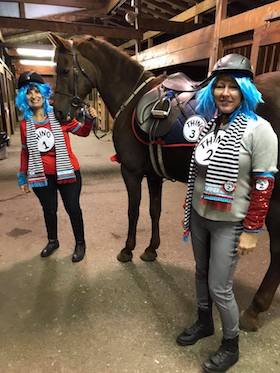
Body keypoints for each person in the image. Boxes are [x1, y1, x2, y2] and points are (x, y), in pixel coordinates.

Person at [177, 54, 278, 372]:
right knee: (200, 274)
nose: (224, 92)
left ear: (245, 90)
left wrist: (252, 229)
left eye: (232, 87)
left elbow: (263, 184)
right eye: (219, 86)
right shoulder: (211, 124)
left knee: (220, 285)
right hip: (200, 215)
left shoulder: (259, 130)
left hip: (229, 223)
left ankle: (230, 344)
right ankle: (204, 322)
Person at [16, 71, 97, 263]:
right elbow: (25, 151)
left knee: (73, 208)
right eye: (28, 93)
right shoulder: (24, 124)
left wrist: (90, 120)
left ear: (44, 93)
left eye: (37, 91)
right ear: (23, 97)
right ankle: (53, 241)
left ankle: (80, 243)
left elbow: (83, 132)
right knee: (49, 210)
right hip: (41, 176)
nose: (34, 96)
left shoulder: (60, 114)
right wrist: (22, 176)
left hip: (68, 172)